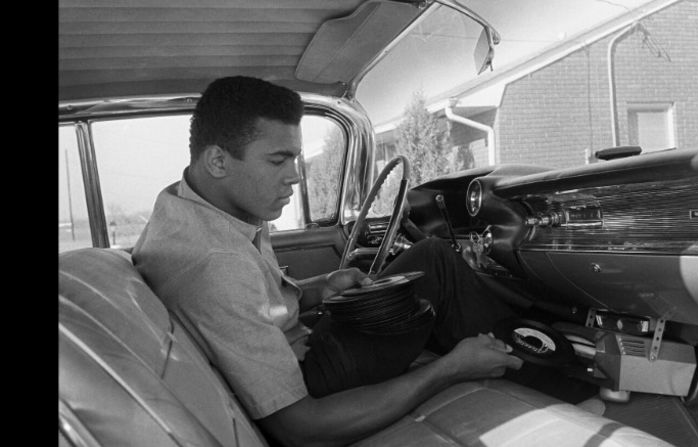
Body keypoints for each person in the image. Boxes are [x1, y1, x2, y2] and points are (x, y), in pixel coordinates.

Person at [132, 76, 523, 447]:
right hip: (308, 384)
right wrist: (450, 369)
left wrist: (320, 288)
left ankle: (512, 350)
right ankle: (532, 366)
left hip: (297, 345)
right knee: (437, 262)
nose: (295, 177)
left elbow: (256, 304)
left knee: (430, 258)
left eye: (296, 159)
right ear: (217, 161)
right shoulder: (215, 263)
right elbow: (302, 429)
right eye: (278, 161)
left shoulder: (200, 207)